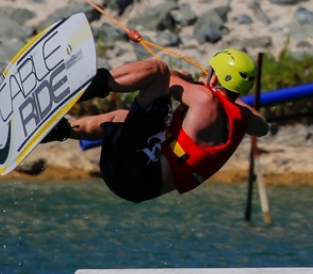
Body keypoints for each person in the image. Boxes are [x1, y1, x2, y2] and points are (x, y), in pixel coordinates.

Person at [41, 48, 269, 203]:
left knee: (157, 69)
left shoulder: (203, 99)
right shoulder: (242, 119)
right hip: (139, 187)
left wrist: (184, 77)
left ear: (215, 78)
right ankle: (58, 130)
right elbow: (262, 126)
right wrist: (217, 89)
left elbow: (167, 80)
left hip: (136, 169)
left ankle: (81, 87)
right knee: (125, 119)